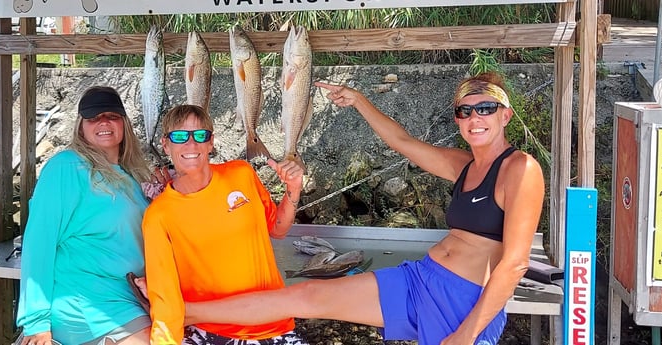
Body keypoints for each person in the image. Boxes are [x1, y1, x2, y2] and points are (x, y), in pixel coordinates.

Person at [183, 72, 546, 345]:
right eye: (465, 111)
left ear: (505, 115)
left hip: (464, 302)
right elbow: (402, 141)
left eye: (485, 108)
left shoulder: (520, 169)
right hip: (421, 279)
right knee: (305, 296)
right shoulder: (463, 164)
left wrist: (465, 335)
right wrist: (358, 100)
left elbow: (514, 263)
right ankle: (184, 311)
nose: (474, 118)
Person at [141, 104, 308, 345]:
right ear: (166, 145)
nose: (191, 144)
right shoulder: (158, 215)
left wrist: (293, 189)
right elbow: (164, 299)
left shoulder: (241, 174)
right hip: (209, 332)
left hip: (273, 323)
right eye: (179, 136)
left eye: (200, 135)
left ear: (211, 143)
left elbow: (277, 229)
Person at [16, 86, 155, 345]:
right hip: (87, 304)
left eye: (112, 115)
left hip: (131, 295)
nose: (103, 122)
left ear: (124, 123)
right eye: (93, 117)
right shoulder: (66, 167)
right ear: (81, 127)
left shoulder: (134, 175)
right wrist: (35, 321)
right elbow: (38, 242)